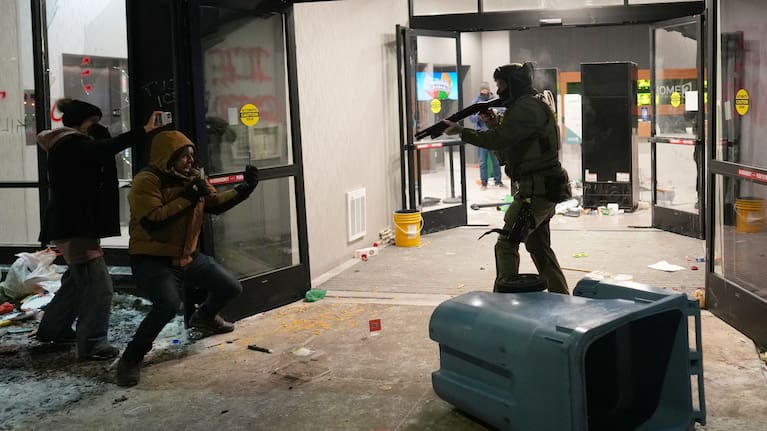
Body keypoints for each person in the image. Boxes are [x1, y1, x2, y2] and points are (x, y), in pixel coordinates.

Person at [116, 130, 259, 387]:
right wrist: (188, 196)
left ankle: (204, 317)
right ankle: (131, 357)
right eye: (184, 156)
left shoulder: (193, 178)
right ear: (167, 157)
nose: (190, 161)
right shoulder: (146, 181)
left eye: (192, 155)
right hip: (153, 259)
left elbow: (214, 203)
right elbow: (152, 221)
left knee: (230, 287)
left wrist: (244, 189)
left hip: (187, 256)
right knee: (168, 305)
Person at [35, 98, 164, 360]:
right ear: (81, 121)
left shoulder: (67, 145)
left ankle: (53, 328)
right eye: (93, 121)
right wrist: (144, 130)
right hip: (74, 226)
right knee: (98, 286)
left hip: (71, 225)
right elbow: (105, 149)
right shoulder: (70, 144)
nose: (96, 127)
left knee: (76, 281)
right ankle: (93, 344)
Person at [443, 63, 571, 295]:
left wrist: (462, 132)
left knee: (507, 243)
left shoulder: (526, 108)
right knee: (538, 246)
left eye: (501, 85)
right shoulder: (528, 105)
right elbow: (511, 145)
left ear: (513, 85)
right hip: (541, 187)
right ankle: (561, 298)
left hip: (537, 190)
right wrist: (492, 123)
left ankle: (505, 301)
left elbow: (499, 140)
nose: (498, 91)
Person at [468, 81, 504, 190]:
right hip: (482, 136)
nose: (484, 91)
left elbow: (503, 111)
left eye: (485, 89)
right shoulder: (476, 102)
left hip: (494, 134)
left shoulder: (495, 100)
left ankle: (498, 181)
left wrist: (495, 112)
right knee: (483, 162)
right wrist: (481, 115)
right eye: (482, 89)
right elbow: (471, 118)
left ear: (489, 89)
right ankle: (484, 183)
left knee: (496, 160)